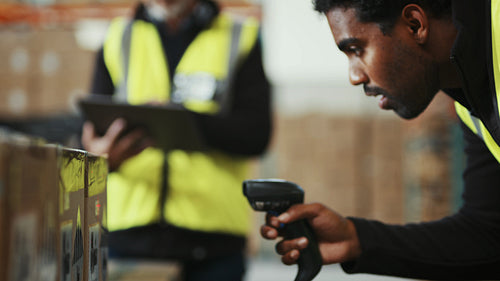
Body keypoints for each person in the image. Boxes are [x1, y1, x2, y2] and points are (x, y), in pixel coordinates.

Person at [261, 0, 500, 279]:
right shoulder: (469, 88)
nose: (354, 76)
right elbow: (490, 234)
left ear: (415, 24)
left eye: (357, 49)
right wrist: (356, 239)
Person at [81, 1, 272, 280]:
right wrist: (102, 156)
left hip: (213, 245)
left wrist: (183, 122)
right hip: (129, 238)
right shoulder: (118, 36)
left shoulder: (240, 35)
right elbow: (91, 133)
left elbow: (256, 135)